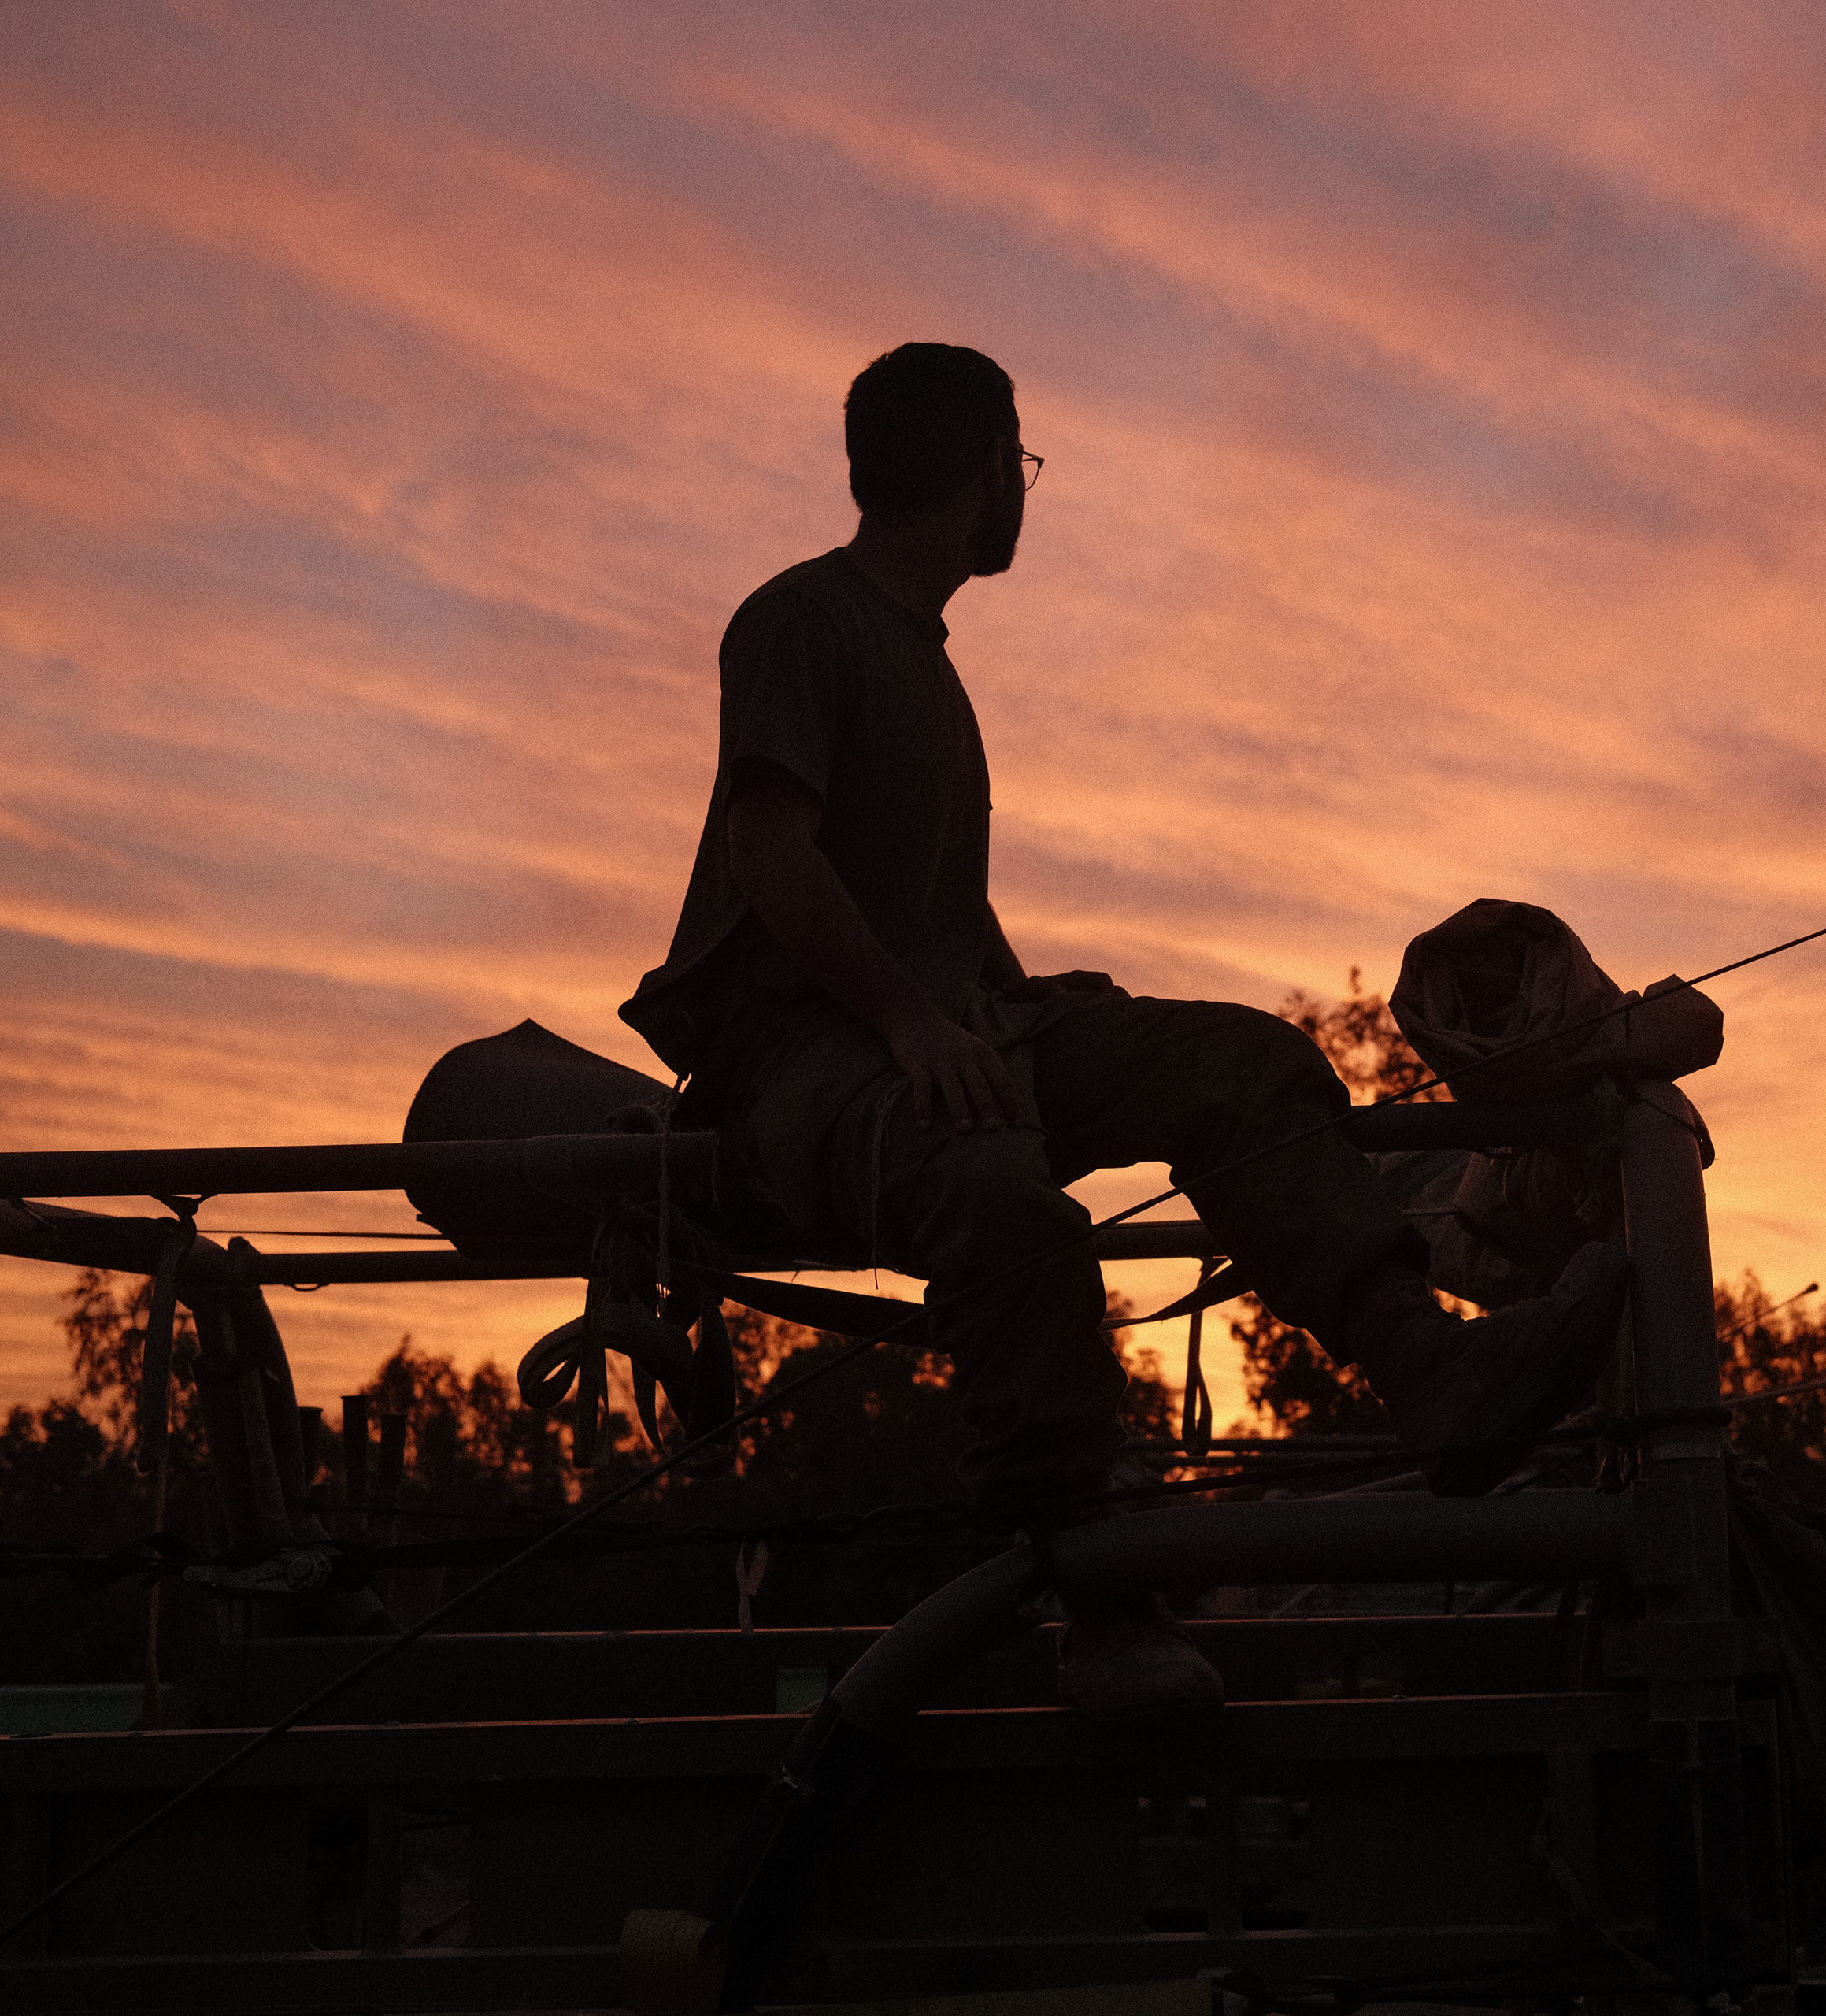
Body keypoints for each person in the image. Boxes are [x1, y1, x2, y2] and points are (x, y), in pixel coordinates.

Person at [620, 343, 1623, 1718]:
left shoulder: (925, 664)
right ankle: (1098, 1600)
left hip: (943, 1030)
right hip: (801, 1068)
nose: (1023, 491)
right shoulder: (801, 619)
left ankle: (1428, 1368)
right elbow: (774, 852)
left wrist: (1023, 1002)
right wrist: (916, 1024)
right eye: (1018, 463)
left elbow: (933, 915)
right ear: (982, 471)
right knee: (1003, 1208)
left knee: (1241, 1063)